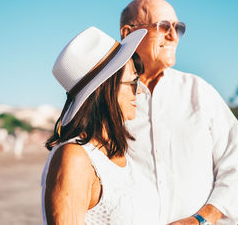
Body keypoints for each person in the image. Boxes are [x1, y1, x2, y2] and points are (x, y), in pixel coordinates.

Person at [120, 0, 238, 225]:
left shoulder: (199, 92)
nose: (173, 36)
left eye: (178, 28)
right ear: (128, 33)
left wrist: (201, 219)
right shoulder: (108, 99)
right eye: (163, 26)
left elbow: (235, 166)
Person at [41, 26, 160, 225]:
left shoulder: (118, 152)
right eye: (132, 83)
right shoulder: (75, 158)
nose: (139, 92)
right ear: (106, 89)